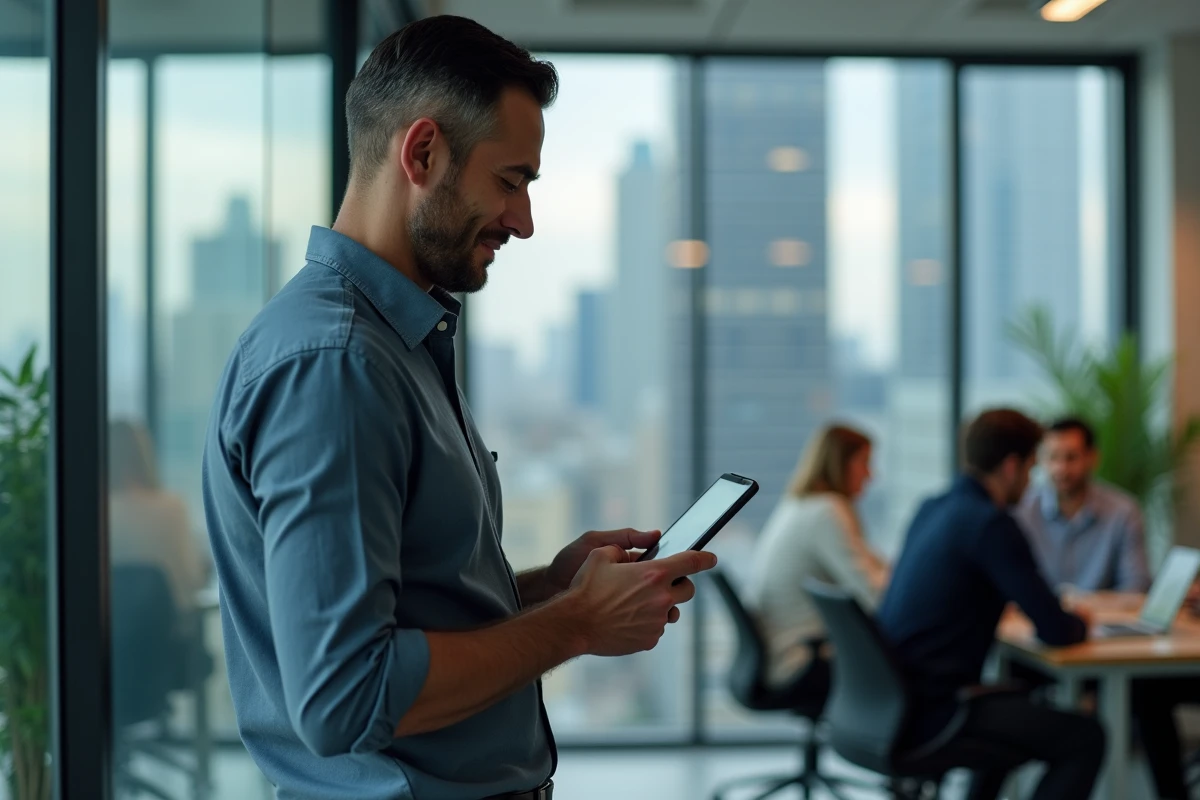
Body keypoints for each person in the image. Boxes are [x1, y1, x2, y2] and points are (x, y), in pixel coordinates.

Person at [201, 16, 715, 800]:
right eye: (510, 181)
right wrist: (577, 624)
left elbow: (413, 603)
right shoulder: (336, 364)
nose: (524, 221)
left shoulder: (392, 344)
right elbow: (346, 698)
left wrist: (550, 590)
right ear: (422, 154)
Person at [876, 409, 1104, 800]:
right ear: (1011, 467)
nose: (1031, 481)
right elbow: (1056, 630)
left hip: (892, 703)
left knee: (1012, 711)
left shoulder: (933, 507)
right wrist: (1079, 622)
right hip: (937, 712)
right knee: (1086, 738)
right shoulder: (990, 524)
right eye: (1031, 468)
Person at [747, 423, 888, 705]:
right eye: (864, 463)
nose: (871, 475)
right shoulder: (827, 511)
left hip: (778, 649)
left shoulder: (799, 505)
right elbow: (873, 594)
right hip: (799, 655)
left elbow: (870, 568)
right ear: (841, 464)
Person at [1016, 416, 1150, 593]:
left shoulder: (1123, 512)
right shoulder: (1021, 511)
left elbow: (1136, 587)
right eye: (1052, 457)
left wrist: (1078, 606)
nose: (1060, 468)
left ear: (1092, 458)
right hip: (1040, 612)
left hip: (1099, 611)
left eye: (1071, 458)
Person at [109, 419, 206, 612]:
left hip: (110, 627)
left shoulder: (101, 514)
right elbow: (193, 578)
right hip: (171, 627)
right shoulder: (173, 508)